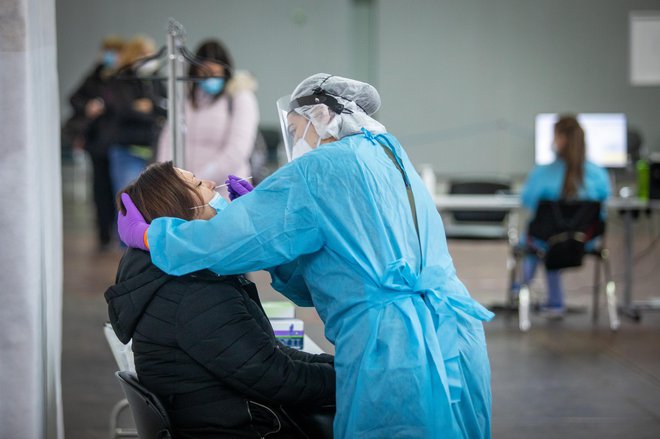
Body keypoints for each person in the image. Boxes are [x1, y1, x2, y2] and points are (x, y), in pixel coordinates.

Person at [118, 74, 494, 438]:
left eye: (296, 132)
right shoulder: (387, 154)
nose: (295, 142)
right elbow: (324, 276)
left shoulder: (320, 170)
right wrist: (261, 234)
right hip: (454, 332)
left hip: (397, 345)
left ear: (322, 118)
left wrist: (153, 235)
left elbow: (218, 242)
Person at [105, 161, 335, 439]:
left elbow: (269, 355)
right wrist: (355, 378)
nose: (213, 185)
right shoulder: (193, 291)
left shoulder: (177, 275)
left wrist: (340, 366)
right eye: (198, 184)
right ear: (177, 208)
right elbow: (274, 375)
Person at [520, 115, 611, 315]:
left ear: (559, 139)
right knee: (553, 237)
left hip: (546, 241)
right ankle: (552, 300)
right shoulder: (598, 174)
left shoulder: (542, 174)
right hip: (585, 240)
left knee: (539, 239)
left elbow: (527, 200)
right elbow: (602, 208)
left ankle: (520, 293)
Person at [157, 39, 259, 198]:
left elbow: (238, 149)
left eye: (214, 73)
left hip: (226, 193)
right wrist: (169, 178)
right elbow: (168, 140)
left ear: (225, 72)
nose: (209, 78)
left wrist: (197, 181)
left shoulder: (240, 97)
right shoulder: (185, 99)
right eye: (204, 73)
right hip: (186, 194)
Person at [64, 36, 125, 250]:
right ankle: (103, 234)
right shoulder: (95, 75)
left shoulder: (124, 77)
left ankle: (121, 233)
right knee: (100, 188)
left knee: (120, 188)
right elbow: (74, 98)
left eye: (114, 51)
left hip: (117, 141)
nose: (110, 56)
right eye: (107, 51)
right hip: (97, 142)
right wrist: (89, 106)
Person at [103, 35, 166, 195]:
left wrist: (150, 106)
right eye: (143, 53)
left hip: (154, 150)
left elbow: (167, 107)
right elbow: (125, 111)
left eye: (151, 52)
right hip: (127, 150)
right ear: (133, 55)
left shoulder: (156, 78)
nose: (149, 57)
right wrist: (156, 114)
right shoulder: (120, 79)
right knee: (128, 201)